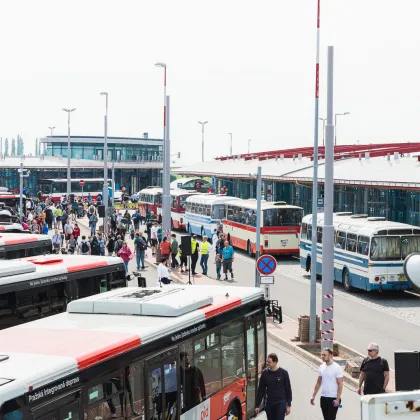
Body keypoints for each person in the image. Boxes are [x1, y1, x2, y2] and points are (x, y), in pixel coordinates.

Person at [255, 353, 292, 420]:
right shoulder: (265, 373)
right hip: (269, 403)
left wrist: (288, 405)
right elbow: (261, 390)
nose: (267, 363)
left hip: (280, 403)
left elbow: (288, 389)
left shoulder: (283, 373)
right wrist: (257, 405)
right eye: (267, 361)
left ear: (275, 362)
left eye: (269, 362)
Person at [311, 348, 344, 420]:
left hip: (333, 398)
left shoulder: (337, 368)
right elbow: (318, 382)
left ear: (330, 355)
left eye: (324, 355)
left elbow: (340, 384)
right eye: (322, 354)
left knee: (331, 418)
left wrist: (337, 399)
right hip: (323, 398)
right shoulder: (321, 367)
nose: (322, 356)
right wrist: (313, 396)